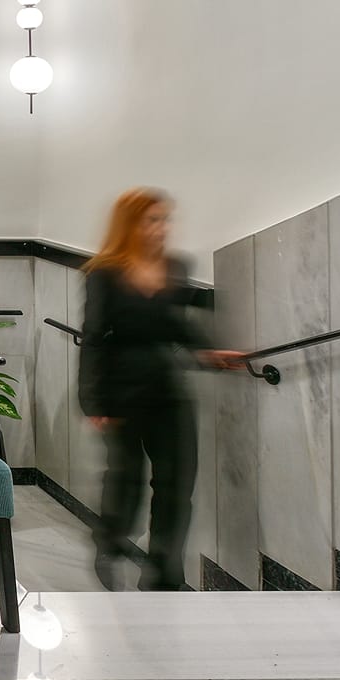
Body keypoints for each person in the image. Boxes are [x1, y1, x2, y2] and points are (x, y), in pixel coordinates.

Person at [78, 188, 243, 591]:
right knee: (127, 479)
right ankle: (110, 540)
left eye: (165, 220)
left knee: (176, 484)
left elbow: (175, 323)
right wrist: (93, 400)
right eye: (152, 220)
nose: (161, 228)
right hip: (121, 390)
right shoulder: (104, 273)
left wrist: (208, 350)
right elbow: (94, 337)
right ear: (130, 225)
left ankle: (164, 573)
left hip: (168, 390)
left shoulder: (173, 266)